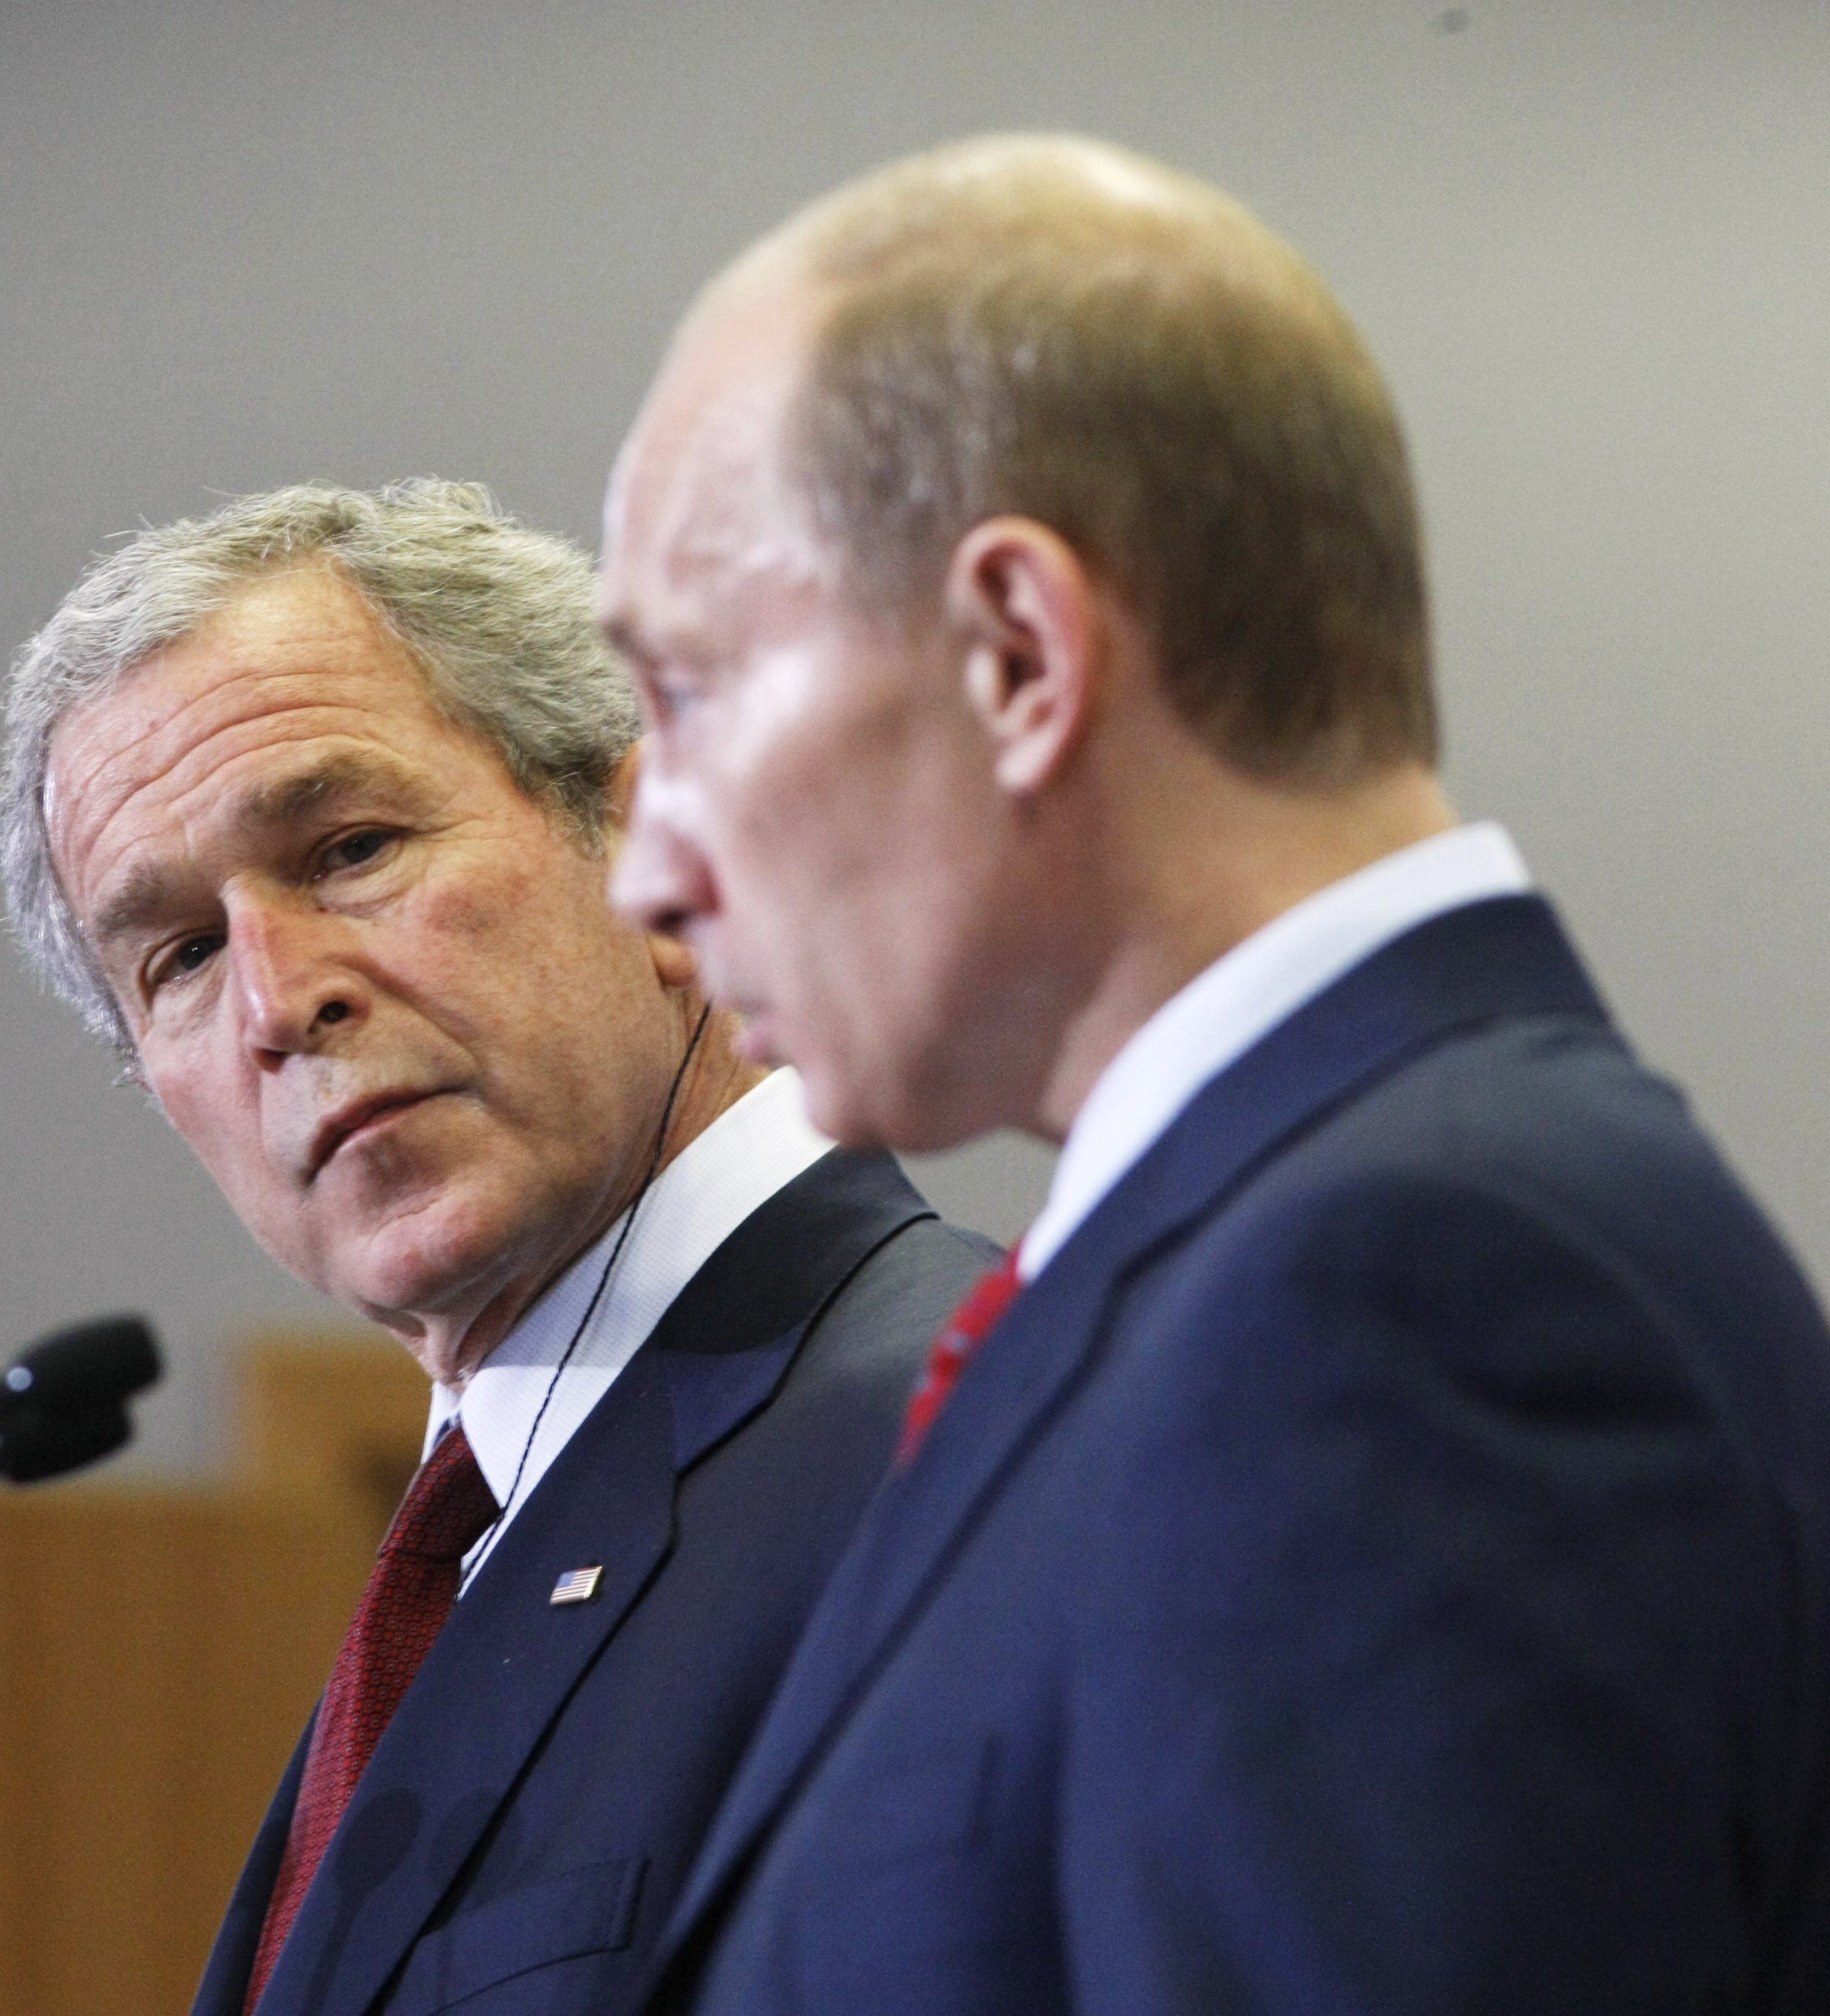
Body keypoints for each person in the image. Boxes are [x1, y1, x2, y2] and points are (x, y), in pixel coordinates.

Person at [601, 134, 1830, 2014]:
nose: (645, 871)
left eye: (685, 692)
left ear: (1020, 657)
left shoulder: (1400, 1302)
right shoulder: (1282, 1260)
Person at [0, 480, 994, 2016]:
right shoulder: (472, 1552)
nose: (278, 1001)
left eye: (350, 849)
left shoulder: (970, 1435)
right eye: (181, 954)